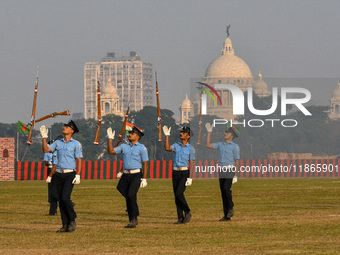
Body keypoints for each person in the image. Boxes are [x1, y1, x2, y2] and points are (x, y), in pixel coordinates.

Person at [41, 120, 83, 232]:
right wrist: (44, 137)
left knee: (65, 197)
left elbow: (79, 160)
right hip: (58, 174)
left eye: (67, 127)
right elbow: (46, 150)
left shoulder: (76, 144)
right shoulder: (58, 142)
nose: (64, 128)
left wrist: (78, 175)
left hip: (69, 174)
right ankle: (65, 225)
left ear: (72, 130)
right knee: (60, 200)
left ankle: (72, 218)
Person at [107, 125, 149, 228]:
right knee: (121, 189)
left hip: (136, 174)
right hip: (125, 174)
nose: (130, 135)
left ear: (138, 137)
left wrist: (144, 178)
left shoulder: (141, 148)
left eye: (132, 134)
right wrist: (110, 139)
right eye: (130, 133)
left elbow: (145, 163)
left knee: (130, 196)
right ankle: (133, 205)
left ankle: (133, 219)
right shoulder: (124, 146)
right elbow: (111, 151)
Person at [205, 122, 240, 221]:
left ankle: (231, 207)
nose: (225, 133)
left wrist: (235, 175)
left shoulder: (235, 146)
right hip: (221, 170)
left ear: (232, 135)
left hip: (230, 170)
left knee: (226, 189)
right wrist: (209, 132)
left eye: (227, 132)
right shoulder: (220, 144)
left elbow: (237, 161)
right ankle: (226, 215)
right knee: (223, 193)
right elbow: (208, 145)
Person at [163, 126, 195, 224]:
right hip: (175, 172)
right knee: (176, 196)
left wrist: (190, 177)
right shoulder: (176, 145)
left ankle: (188, 211)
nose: (181, 134)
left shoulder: (191, 148)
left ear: (188, 136)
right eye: (181, 132)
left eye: (184, 133)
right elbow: (167, 148)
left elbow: (192, 163)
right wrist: (167, 136)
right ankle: (180, 217)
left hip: (184, 172)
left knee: (179, 193)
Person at [44, 140, 58, 216]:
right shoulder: (59, 151)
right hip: (59, 170)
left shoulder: (48, 152)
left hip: (51, 169)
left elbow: (46, 162)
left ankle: (53, 209)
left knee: (52, 189)